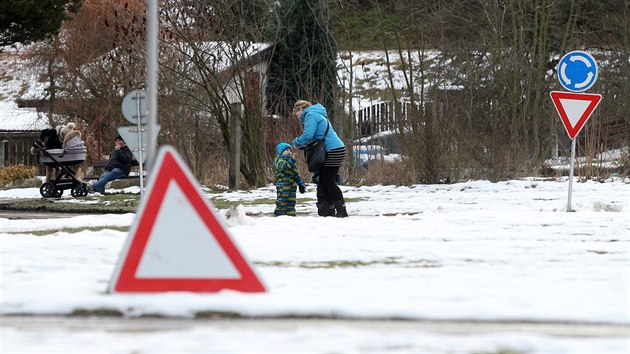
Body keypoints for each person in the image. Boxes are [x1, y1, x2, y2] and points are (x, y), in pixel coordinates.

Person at [292, 100, 348, 217]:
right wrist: (303, 145)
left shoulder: (311, 115)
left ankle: (341, 210)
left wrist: (296, 142)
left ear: (301, 109)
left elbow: (308, 134)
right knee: (323, 181)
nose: (296, 116)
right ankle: (329, 210)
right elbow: (317, 136)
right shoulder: (316, 114)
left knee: (327, 181)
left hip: (333, 150)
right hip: (334, 149)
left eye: (296, 112)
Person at [274, 142, 306, 216]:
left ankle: (291, 216)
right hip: (282, 186)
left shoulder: (291, 162)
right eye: (287, 150)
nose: (289, 152)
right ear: (281, 152)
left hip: (291, 186)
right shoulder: (279, 160)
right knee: (282, 201)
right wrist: (292, 160)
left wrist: (300, 184)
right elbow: (284, 167)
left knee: (291, 202)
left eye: (290, 150)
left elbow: (295, 174)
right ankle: (280, 215)